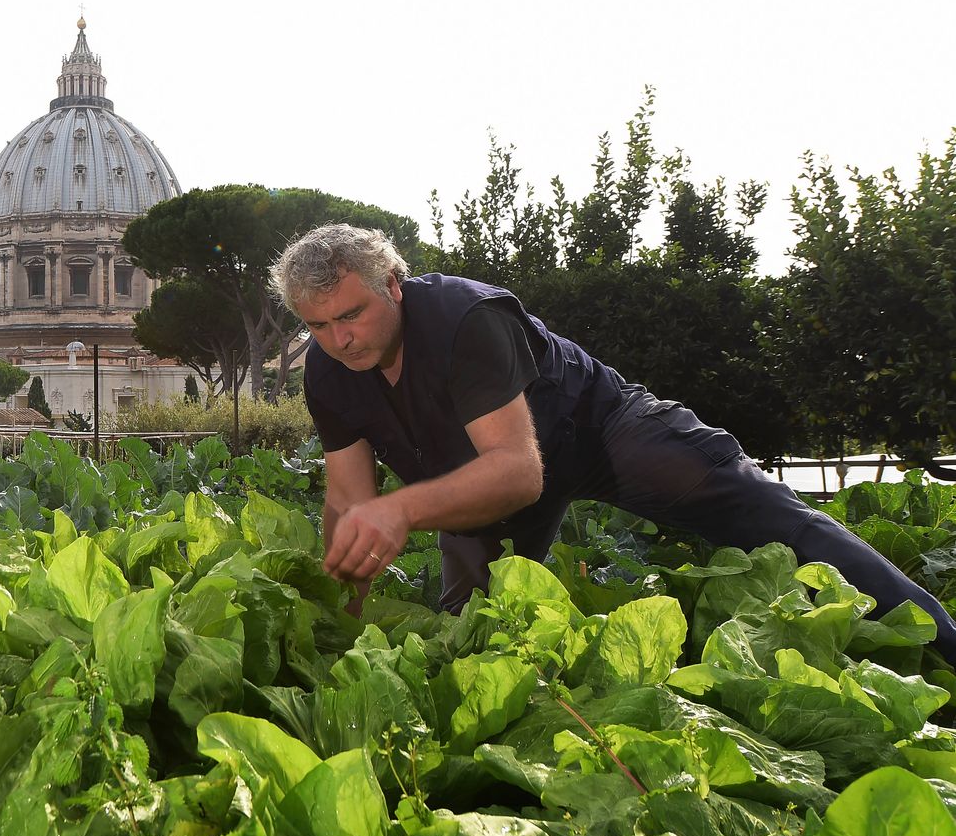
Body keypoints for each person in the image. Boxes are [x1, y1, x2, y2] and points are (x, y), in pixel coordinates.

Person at [268, 223, 956, 659]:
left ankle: (944, 651)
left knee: (761, 512)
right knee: (470, 629)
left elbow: (517, 471)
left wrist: (402, 510)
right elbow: (349, 497)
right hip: (476, 478)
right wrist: (341, 607)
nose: (339, 339)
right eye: (319, 325)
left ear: (393, 284)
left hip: (595, 427)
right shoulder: (329, 372)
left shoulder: (462, 319)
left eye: (351, 314)